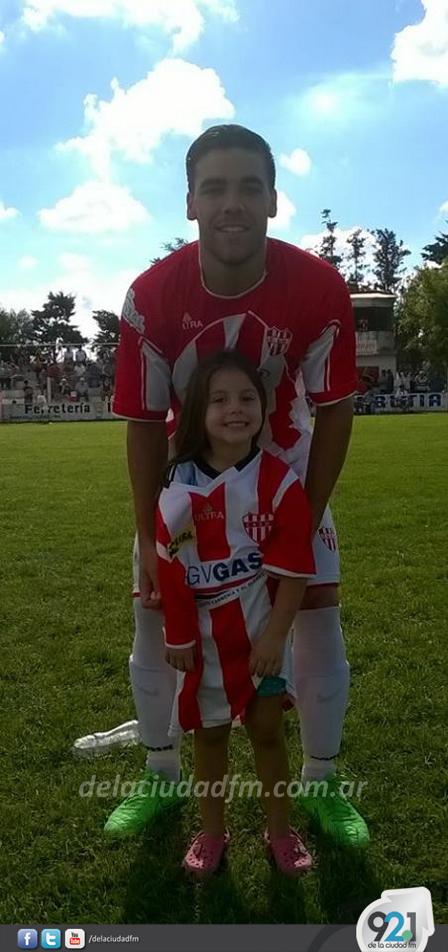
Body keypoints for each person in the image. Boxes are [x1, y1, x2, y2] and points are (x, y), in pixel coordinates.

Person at [106, 123, 369, 848]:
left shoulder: (318, 286)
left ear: (274, 200)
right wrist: (147, 535)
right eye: (215, 188)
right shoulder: (151, 295)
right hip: (187, 487)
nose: (233, 203)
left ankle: (321, 781)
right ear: (190, 202)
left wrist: (304, 518)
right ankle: (160, 772)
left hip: (286, 475)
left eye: (250, 187)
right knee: (156, 616)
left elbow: (336, 407)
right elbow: (141, 422)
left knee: (316, 612)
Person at [157, 349, 315, 876]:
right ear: (199, 412)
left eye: (247, 397)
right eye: (220, 399)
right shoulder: (179, 482)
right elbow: (172, 566)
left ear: (264, 408)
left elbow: (295, 571)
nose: (235, 409)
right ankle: (211, 831)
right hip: (205, 642)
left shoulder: (280, 482)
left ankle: (280, 832)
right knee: (211, 734)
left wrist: (274, 637)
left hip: (262, 636)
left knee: (267, 730)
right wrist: (180, 636)